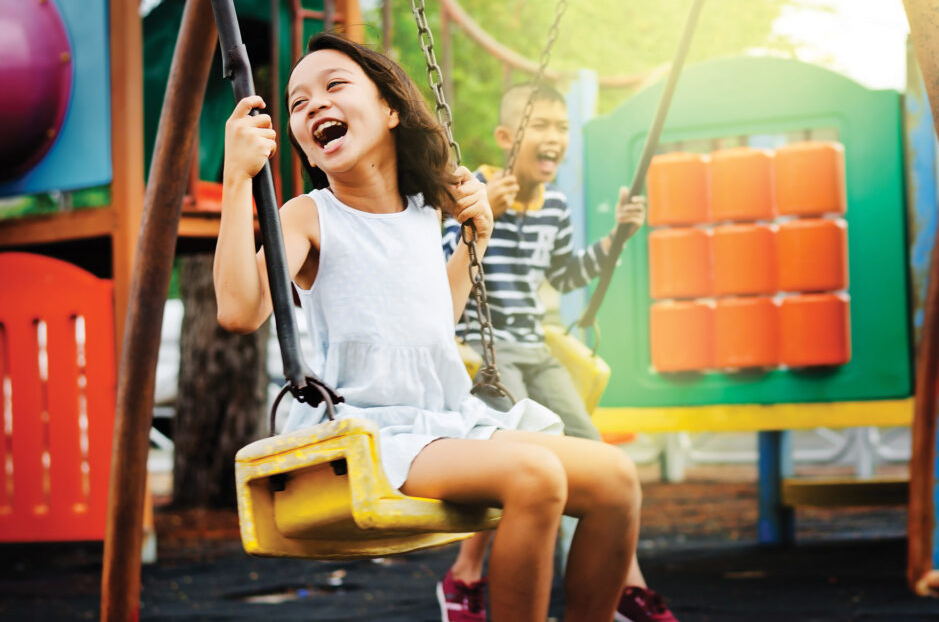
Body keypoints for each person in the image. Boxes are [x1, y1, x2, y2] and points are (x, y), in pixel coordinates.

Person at [213, 33, 642, 622]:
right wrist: (238, 180)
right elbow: (239, 310)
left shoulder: (426, 214)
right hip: (368, 430)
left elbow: (434, 321)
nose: (312, 106)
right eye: (297, 103)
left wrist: (478, 239)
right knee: (536, 476)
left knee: (616, 478)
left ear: (390, 109)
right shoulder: (308, 216)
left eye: (335, 86)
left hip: (445, 421)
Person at [437, 83, 677, 622]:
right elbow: (437, 275)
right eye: (539, 126)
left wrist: (617, 237)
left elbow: (564, 274)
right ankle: (470, 575)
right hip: (484, 350)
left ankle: (621, 588)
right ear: (506, 137)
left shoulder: (558, 206)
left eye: (561, 128)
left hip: (536, 345)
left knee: (594, 453)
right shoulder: (474, 189)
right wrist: (476, 222)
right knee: (534, 455)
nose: (553, 138)